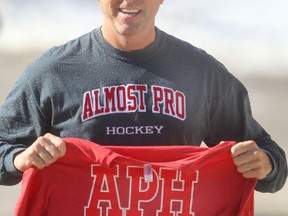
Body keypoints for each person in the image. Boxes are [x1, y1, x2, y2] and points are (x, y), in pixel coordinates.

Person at [0, 0, 287, 193]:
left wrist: (265, 164)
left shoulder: (200, 72)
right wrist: (19, 159)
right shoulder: (53, 72)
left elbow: (270, 160)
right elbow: (4, 147)